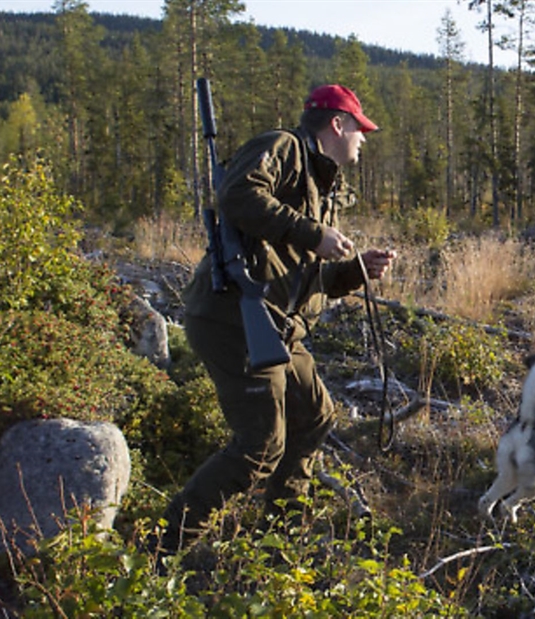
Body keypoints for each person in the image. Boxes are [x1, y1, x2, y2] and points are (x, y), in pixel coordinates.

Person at [154, 84, 397, 554]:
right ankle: (159, 551)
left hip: (276, 324)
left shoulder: (321, 182)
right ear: (337, 125)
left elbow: (302, 281)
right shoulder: (283, 148)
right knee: (260, 446)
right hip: (234, 318)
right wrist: (313, 233)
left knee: (314, 417)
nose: (363, 140)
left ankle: (279, 541)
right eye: (360, 130)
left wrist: (354, 271)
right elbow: (237, 194)